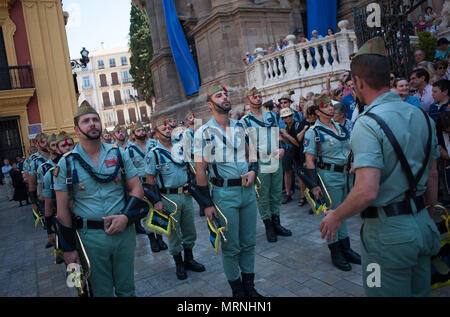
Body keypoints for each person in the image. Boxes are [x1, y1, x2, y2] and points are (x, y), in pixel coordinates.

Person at [319, 36, 441, 297]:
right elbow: (432, 173)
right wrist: (427, 214)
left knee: (378, 292)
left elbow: (367, 191)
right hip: (422, 224)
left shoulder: (367, 122)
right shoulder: (421, 116)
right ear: (388, 78)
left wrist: (336, 216)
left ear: (359, 82)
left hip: (386, 236)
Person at [54, 101, 145, 297]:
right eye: (86, 121)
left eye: (95, 119)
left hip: (123, 232)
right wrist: (68, 249)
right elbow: (61, 211)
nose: (92, 124)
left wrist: (126, 217)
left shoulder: (118, 153)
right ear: (76, 129)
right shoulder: (66, 163)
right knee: (101, 292)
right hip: (90, 238)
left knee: (127, 289)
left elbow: (137, 188)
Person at [193, 84, 262, 297]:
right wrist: (206, 204)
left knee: (249, 242)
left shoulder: (240, 126)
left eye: (226, 94)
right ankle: (238, 291)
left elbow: (253, 155)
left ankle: (250, 287)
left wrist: (253, 170)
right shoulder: (203, 133)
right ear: (210, 103)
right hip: (224, 196)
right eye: (219, 95)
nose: (225, 98)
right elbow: (200, 171)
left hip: (248, 192)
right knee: (231, 247)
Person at [303, 94, 360, 272]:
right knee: (333, 214)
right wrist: (314, 185)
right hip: (328, 176)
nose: (331, 108)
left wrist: (351, 161)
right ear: (318, 111)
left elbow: (349, 148)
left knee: (343, 214)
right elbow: (309, 160)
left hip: (345, 176)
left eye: (331, 105)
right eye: (326, 106)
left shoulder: (339, 127)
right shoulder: (314, 132)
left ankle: (346, 248)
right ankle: (336, 251)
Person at [145, 118, 205, 280]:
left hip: (184, 196)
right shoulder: (154, 154)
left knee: (189, 229)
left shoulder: (180, 149)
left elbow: (190, 169)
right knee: (173, 233)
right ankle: (179, 263)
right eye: (163, 129)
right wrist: (156, 201)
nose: (167, 130)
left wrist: (191, 185)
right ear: (156, 134)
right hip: (168, 198)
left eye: (168, 128)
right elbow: (150, 180)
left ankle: (189, 259)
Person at [241, 87, 290, 243]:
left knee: (276, 192)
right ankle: (268, 225)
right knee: (263, 195)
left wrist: (282, 147)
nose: (257, 98)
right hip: (260, 162)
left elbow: (277, 134)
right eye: (254, 96)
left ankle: (277, 223)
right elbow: (246, 146)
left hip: (275, 159)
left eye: (259, 96)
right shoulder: (245, 121)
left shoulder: (271, 115)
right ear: (248, 100)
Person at [128, 123, 168, 253]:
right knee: (146, 213)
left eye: (142, 130)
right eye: (137, 131)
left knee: (159, 209)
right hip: (142, 183)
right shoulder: (130, 149)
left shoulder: (154, 144)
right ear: (133, 134)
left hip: (156, 182)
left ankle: (160, 238)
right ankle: (152, 239)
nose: (141, 132)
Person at [42, 131, 74, 264]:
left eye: (70, 145)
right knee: (72, 264)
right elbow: (48, 203)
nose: (68, 148)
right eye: (63, 146)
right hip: (64, 221)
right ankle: (75, 278)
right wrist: (50, 230)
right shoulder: (50, 174)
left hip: (84, 222)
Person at [279, 107, 303, 204]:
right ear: (283, 119)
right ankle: (288, 194)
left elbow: (297, 143)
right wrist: (282, 138)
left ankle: (303, 196)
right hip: (290, 152)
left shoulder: (297, 125)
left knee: (299, 175)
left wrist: (286, 135)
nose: (288, 118)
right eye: (286, 117)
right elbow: (289, 142)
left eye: (289, 116)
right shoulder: (286, 128)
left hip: (298, 153)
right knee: (287, 172)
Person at [297, 101, 318, 210]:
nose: (313, 116)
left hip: (317, 154)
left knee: (317, 178)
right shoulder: (303, 123)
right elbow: (298, 139)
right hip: (305, 153)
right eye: (310, 113)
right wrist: (305, 129)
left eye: (314, 113)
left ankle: (318, 200)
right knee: (308, 178)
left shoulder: (319, 122)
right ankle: (310, 202)